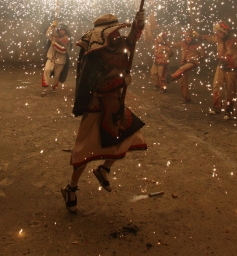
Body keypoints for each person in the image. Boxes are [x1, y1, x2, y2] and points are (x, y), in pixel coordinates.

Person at [61, 12, 147, 213]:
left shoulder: (117, 44)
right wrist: (121, 81)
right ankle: (71, 188)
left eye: (118, 31)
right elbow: (95, 85)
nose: (118, 34)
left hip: (115, 104)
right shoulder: (94, 54)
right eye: (115, 31)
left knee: (131, 134)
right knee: (85, 150)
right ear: (105, 34)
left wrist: (138, 24)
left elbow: (131, 40)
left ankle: (104, 168)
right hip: (96, 107)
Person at [200, 21, 237, 120]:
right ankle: (217, 108)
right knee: (216, 85)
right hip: (221, 65)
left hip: (232, 67)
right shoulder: (218, 38)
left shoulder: (236, 40)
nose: (216, 34)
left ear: (224, 32)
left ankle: (228, 111)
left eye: (218, 32)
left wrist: (236, 58)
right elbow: (210, 38)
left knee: (230, 89)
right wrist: (199, 36)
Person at [168, 29, 206, 103]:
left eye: (189, 37)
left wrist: (197, 59)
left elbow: (203, 55)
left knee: (182, 69)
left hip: (192, 63)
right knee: (182, 82)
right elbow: (174, 44)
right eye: (186, 37)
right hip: (184, 63)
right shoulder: (183, 43)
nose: (187, 39)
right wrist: (165, 42)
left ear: (192, 38)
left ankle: (172, 77)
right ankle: (186, 98)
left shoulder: (198, 45)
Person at [41, 21, 70, 97]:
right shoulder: (54, 36)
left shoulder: (67, 39)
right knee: (47, 70)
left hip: (60, 60)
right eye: (60, 29)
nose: (61, 31)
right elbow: (47, 35)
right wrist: (52, 27)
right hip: (51, 58)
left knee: (57, 75)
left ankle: (54, 87)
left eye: (63, 30)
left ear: (65, 31)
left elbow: (63, 50)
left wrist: (55, 44)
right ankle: (45, 88)